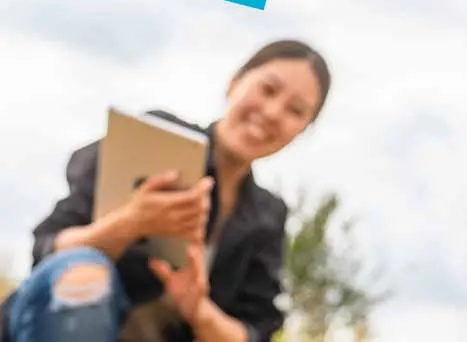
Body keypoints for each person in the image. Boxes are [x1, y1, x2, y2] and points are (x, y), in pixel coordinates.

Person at [0, 39, 333, 342]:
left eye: (296, 110)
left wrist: (199, 310)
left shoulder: (268, 217)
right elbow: (49, 249)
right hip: (59, 321)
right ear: (235, 82)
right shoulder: (155, 138)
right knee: (84, 271)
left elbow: (254, 331)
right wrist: (130, 222)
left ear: (304, 129)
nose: (273, 113)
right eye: (268, 89)